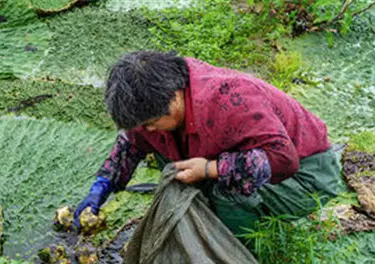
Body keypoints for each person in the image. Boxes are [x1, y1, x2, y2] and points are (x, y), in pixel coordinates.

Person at [75, 51, 343, 235]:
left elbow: (283, 160)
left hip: (308, 175)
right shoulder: (159, 93)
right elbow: (132, 142)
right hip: (243, 154)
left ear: (175, 98)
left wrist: (210, 170)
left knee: (226, 190)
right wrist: (102, 187)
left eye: (150, 123)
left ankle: (240, 255)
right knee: (169, 159)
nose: (146, 130)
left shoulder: (229, 99)